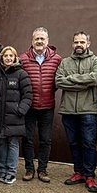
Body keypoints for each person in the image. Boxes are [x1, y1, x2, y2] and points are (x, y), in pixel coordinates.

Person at [55, 31, 97, 190]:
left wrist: (71, 80)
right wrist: (84, 82)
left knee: (88, 143)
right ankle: (78, 172)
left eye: (82, 42)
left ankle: (90, 176)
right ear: (72, 44)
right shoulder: (65, 62)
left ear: (88, 43)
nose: (79, 45)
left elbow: (95, 78)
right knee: (74, 143)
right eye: (76, 42)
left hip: (88, 109)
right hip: (68, 110)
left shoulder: (96, 60)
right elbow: (59, 81)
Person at [19, 27, 62, 182]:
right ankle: (29, 169)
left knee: (46, 139)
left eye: (42, 39)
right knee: (28, 139)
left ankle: (42, 170)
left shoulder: (57, 59)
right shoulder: (23, 58)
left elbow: (59, 80)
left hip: (47, 106)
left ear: (47, 41)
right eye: (37, 38)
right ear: (32, 40)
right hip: (29, 106)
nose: (39, 41)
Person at [0, 45, 32, 184]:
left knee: (13, 144)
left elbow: (28, 95)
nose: (8, 58)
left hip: (15, 118)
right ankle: (2, 171)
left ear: (15, 58)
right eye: (5, 56)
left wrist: (20, 110)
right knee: (2, 144)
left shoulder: (21, 74)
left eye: (11, 56)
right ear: (1, 58)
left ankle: (11, 172)